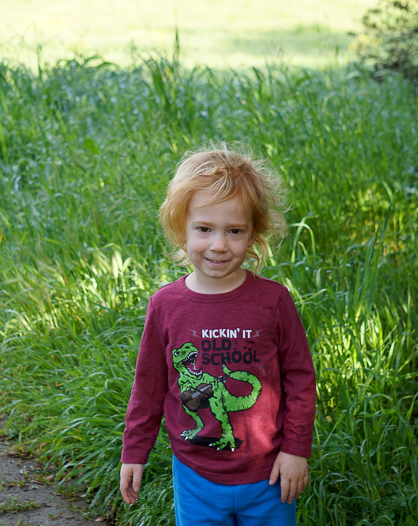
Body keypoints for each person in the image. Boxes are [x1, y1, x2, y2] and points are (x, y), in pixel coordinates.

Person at [119, 144, 317, 526]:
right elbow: (148, 387)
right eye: (204, 229)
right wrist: (134, 452)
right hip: (196, 475)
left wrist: (296, 450)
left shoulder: (273, 302)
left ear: (254, 233)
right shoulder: (166, 305)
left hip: (270, 473)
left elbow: (300, 379)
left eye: (235, 231)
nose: (219, 245)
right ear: (182, 228)